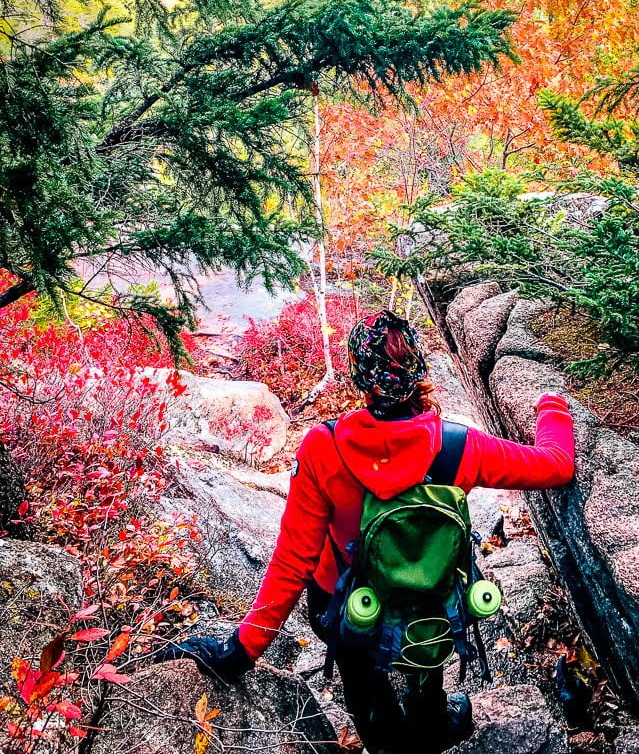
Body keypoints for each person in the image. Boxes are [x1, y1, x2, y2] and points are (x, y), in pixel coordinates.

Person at [158, 309, 575, 754]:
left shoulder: (324, 447)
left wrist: (239, 651)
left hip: (347, 606)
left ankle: (384, 739)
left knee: (361, 682)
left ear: (360, 377)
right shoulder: (460, 447)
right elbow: (556, 464)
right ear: (417, 368)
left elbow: (293, 562)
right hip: (426, 601)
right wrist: (552, 406)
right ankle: (433, 720)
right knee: (423, 637)